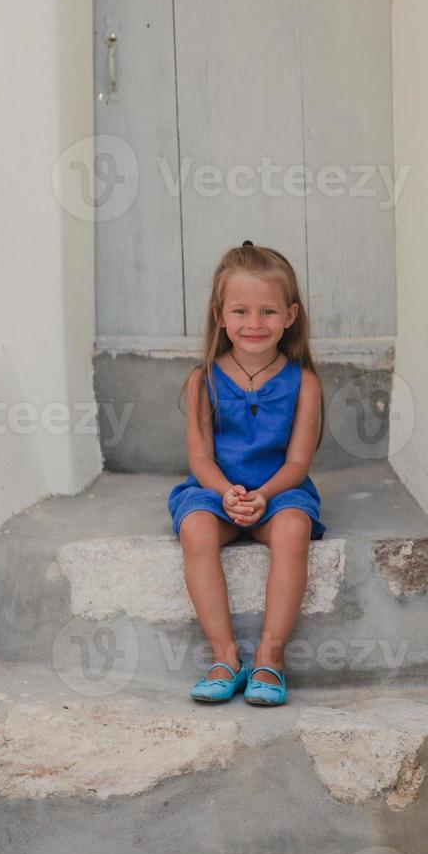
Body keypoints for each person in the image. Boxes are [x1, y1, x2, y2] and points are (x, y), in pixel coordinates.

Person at [167, 241, 327, 706]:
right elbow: (200, 459)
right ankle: (224, 657)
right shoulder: (204, 380)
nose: (254, 324)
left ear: (290, 315)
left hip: (280, 492)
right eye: (240, 311)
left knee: (294, 527)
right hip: (216, 492)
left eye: (268, 312)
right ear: (220, 315)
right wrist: (227, 494)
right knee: (195, 529)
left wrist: (263, 496)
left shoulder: (305, 382)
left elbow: (298, 462)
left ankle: (269, 659)